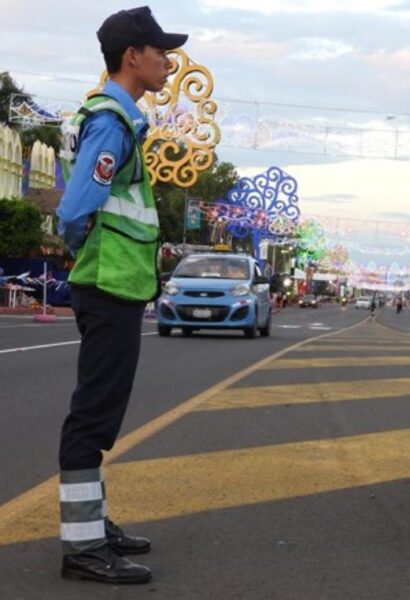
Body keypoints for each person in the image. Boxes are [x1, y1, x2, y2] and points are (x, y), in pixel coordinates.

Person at [55, 6, 188, 585]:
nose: (168, 61)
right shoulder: (111, 121)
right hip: (107, 284)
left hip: (117, 285)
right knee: (92, 415)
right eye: (160, 52)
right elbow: (76, 206)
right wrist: (82, 250)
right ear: (131, 57)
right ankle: (82, 548)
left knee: (103, 413)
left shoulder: (122, 118)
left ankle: (94, 523)